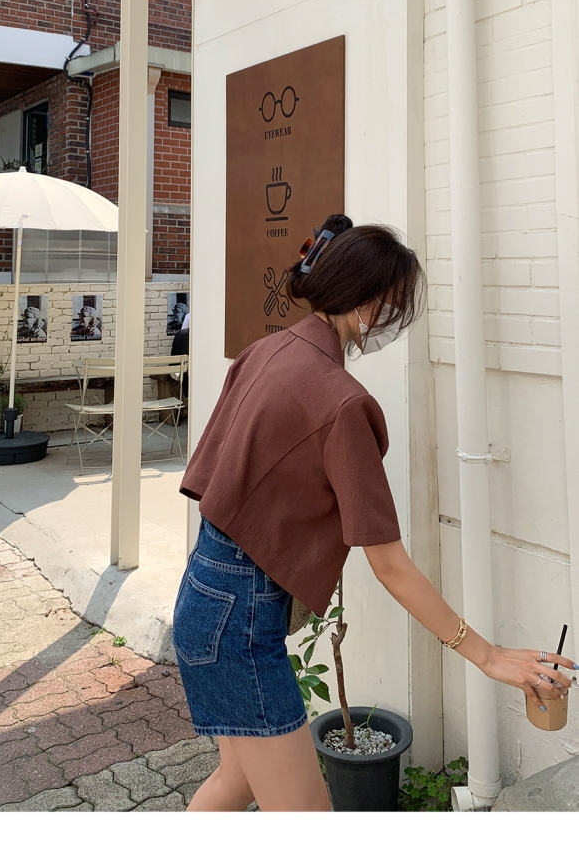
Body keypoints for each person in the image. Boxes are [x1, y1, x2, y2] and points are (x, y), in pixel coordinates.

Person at [173, 215, 577, 812]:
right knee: (308, 814)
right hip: (242, 621)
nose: (391, 319)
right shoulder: (342, 403)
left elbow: (211, 482)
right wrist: (488, 656)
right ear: (365, 301)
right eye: (392, 304)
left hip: (204, 596)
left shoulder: (265, 351)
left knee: (238, 781)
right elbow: (389, 565)